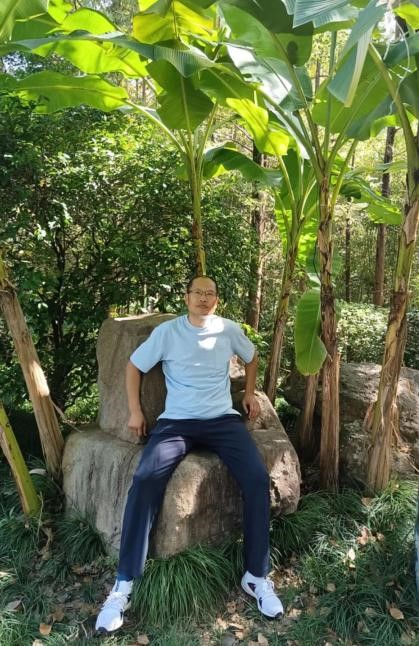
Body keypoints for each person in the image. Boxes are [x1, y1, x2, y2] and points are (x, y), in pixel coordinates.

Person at [95, 275, 283, 634]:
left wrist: (249, 392)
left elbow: (252, 356)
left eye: (210, 293)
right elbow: (134, 366)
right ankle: (124, 584)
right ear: (187, 297)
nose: (204, 298)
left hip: (222, 421)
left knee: (257, 478)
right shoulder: (168, 332)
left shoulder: (228, 329)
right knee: (145, 479)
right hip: (176, 423)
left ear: (217, 300)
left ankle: (256, 576)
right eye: (198, 292)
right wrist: (135, 411)